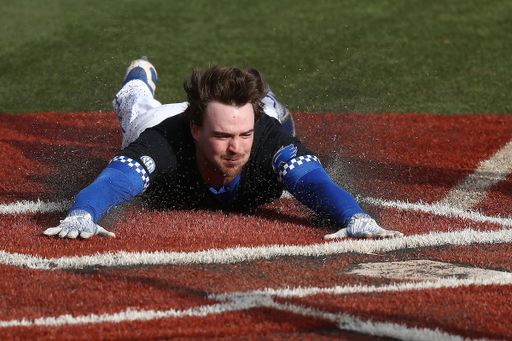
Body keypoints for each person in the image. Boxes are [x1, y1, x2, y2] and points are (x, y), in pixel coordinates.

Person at [43, 57, 403, 240]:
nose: (235, 149)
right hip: (158, 118)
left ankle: (266, 99)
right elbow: (116, 180)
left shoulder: (267, 140)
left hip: (260, 120)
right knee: (135, 109)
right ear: (197, 130)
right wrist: (83, 213)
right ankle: (138, 79)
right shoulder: (163, 142)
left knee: (274, 117)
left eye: (243, 135)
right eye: (221, 137)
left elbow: (313, 182)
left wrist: (354, 216)